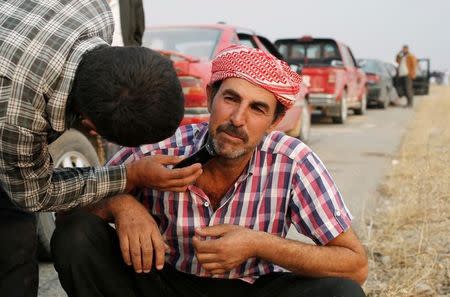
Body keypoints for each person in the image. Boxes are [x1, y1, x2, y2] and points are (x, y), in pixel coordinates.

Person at [52, 45, 368, 297]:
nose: (238, 119)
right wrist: (121, 206)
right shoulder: (161, 147)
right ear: (209, 98)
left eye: (257, 108)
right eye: (230, 99)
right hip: (162, 283)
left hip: (249, 288)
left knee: (341, 291)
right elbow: (64, 211)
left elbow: (354, 266)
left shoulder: (294, 161)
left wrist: (259, 244)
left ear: (275, 122)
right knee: (77, 234)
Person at [0, 1, 202, 297]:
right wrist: (129, 176)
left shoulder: (94, 9)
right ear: (92, 126)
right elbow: (33, 194)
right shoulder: (18, 116)